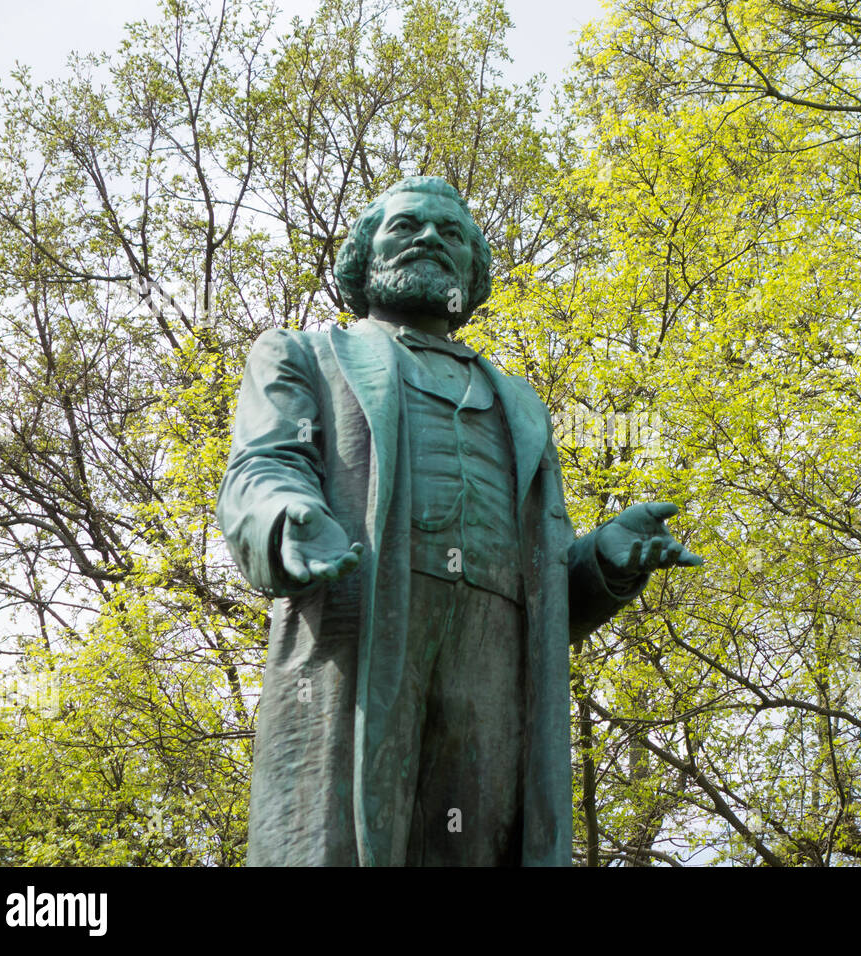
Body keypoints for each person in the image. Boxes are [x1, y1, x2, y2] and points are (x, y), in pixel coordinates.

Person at [216, 175, 701, 865]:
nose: (429, 239)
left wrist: (603, 563)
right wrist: (284, 518)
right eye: (406, 225)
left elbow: (547, 586)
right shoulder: (306, 355)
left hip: (492, 657)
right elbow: (263, 466)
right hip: (364, 621)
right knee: (339, 842)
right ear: (363, 255)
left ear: (473, 272)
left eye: (451, 233)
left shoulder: (520, 404)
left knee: (482, 844)